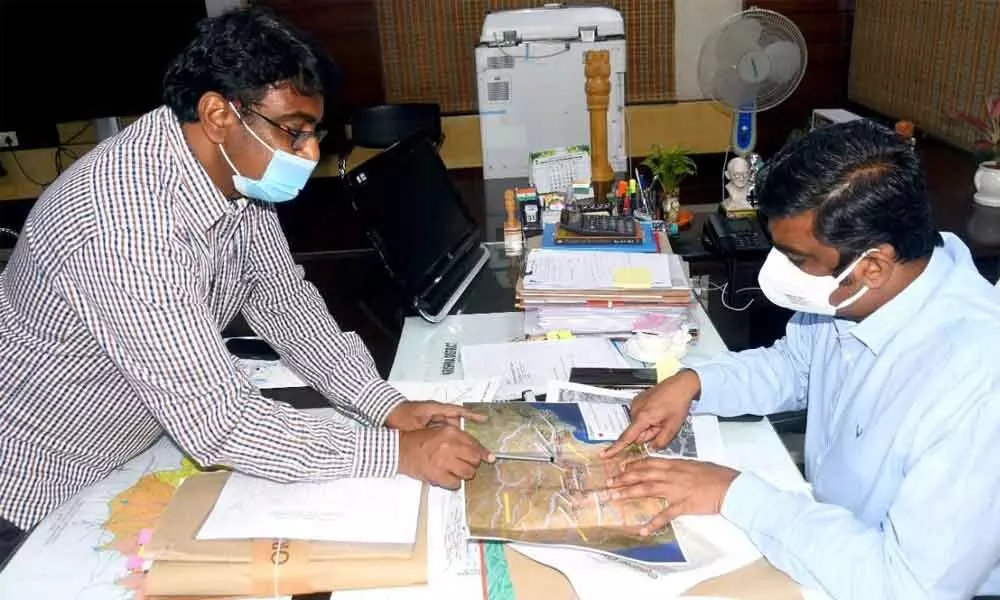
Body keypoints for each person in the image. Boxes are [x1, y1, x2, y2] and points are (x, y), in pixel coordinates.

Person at [0, 7, 491, 566]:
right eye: (295, 131)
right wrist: (396, 452)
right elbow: (220, 422)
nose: (309, 155)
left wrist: (384, 405)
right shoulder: (122, 224)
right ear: (217, 114)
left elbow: (282, 300)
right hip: (32, 490)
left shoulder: (234, 176)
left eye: (314, 133)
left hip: (119, 452)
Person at [602, 120, 1000, 599]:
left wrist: (734, 494)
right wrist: (694, 383)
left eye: (797, 259)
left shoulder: (977, 382)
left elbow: (908, 586)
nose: (781, 271)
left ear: (871, 266)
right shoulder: (856, 294)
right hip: (822, 534)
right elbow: (793, 366)